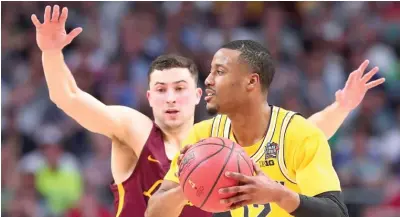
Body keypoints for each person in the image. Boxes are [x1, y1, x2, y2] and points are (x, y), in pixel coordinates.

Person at [32, 5, 384, 217]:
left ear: (198, 94)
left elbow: (306, 132)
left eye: (180, 88)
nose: (170, 98)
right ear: (148, 97)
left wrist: (340, 107)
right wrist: (51, 54)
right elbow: (71, 98)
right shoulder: (133, 128)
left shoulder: (216, 140)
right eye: (161, 89)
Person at [145, 40, 384, 217]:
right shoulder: (203, 137)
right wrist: (189, 185)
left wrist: (277, 194)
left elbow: (337, 214)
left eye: (219, 72)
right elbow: (153, 213)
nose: (207, 80)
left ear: (251, 81)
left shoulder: (299, 134)